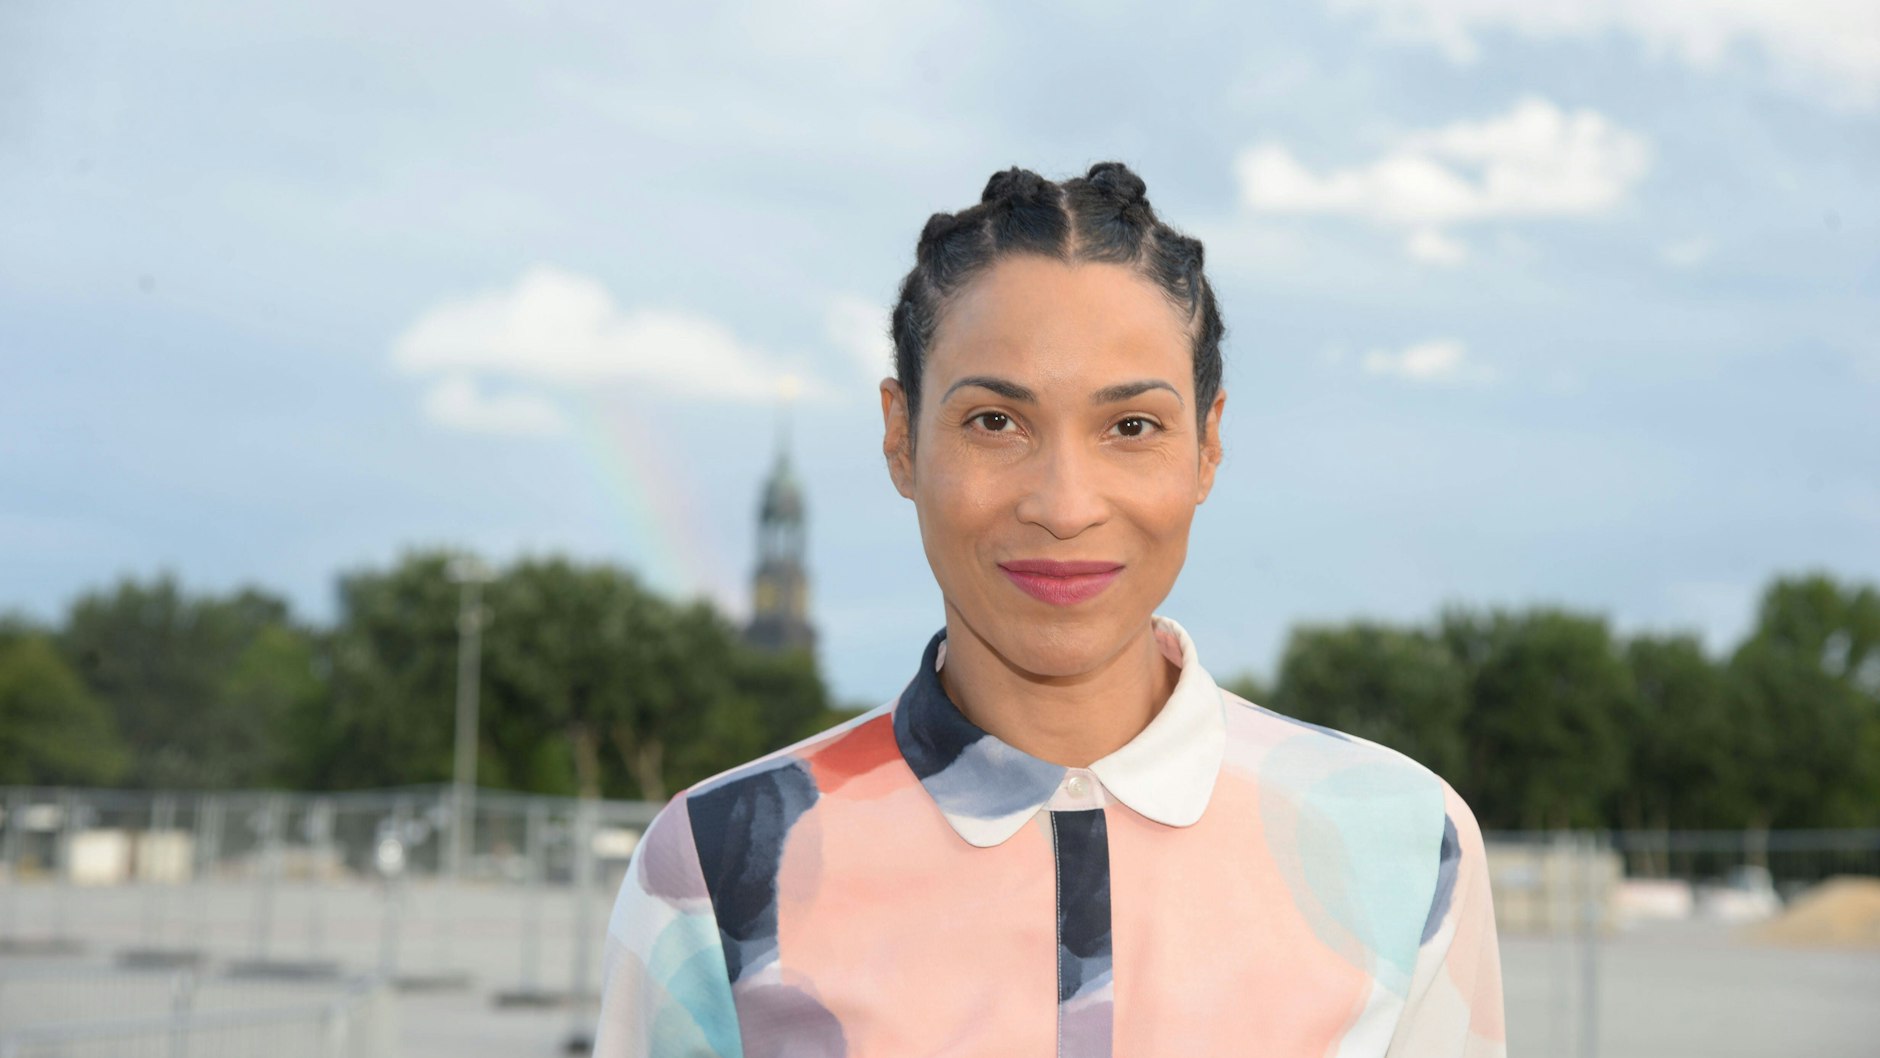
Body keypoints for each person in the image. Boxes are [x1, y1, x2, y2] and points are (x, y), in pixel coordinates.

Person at [591, 162, 1505, 1057]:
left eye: (1132, 427)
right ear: (901, 438)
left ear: (1208, 447)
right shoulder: (713, 872)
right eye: (995, 421)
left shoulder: (1404, 846)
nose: (1065, 505)